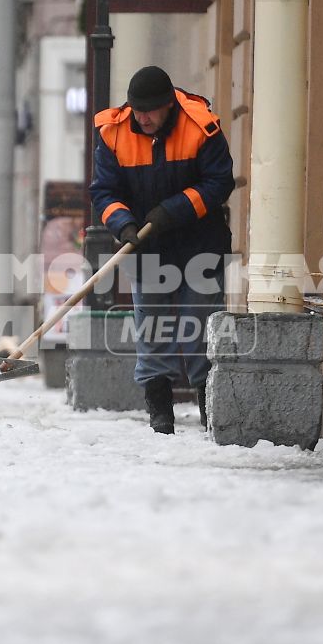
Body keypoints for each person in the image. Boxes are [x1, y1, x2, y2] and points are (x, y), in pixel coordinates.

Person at [88, 65, 235, 434]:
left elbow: (219, 183)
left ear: (169, 105)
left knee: (199, 329)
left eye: (150, 111)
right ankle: (160, 414)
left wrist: (172, 210)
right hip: (146, 247)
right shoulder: (113, 134)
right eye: (138, 110)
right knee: (151, 329)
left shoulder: (201, 126)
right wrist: (124, 224)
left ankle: (208, 409)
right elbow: (104, 192)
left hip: (200, 245)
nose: (143, 118)